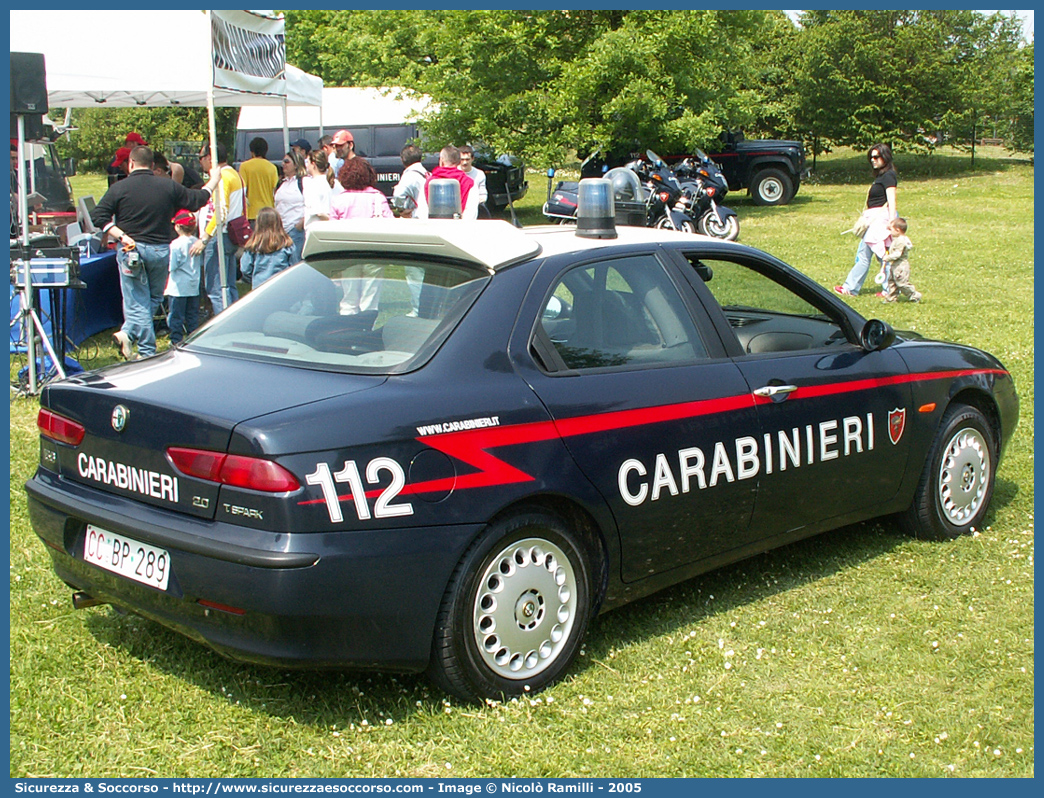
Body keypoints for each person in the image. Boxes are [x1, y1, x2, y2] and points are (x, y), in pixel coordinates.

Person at [91, 146, 218, 359]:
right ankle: (129, 335)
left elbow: (98, 216)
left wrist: (121, 235)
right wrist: (214, 179)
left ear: (130, 164)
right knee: (153, 298)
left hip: (131, 250)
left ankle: (145, 350)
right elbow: (199, 199)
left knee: (136, 301)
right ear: (152, 166)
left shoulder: (120, 188)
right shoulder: (168, 186)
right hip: (160, 251)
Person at [329, 158, 393, 314]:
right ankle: (366, 331)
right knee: (370, 301)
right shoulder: (378, 198)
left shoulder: (338, 200)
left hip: (348, 255)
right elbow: (390, 224)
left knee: (349, 300)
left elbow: (331, 232)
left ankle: (348, 331)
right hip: (374, 255)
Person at [835, 143, 898, 297]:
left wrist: (891, 223)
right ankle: (854, 288)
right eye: (871, 157)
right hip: (873, 220)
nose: (873, 160)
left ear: (885, 157)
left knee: (880, 256)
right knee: (869, 255)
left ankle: (885, 290)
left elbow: (891, 199)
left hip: (881, 221)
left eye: (876, 157)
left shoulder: (889, 176)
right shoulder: (880, 176)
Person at [191, 142, 246, 315]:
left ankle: (223, 325)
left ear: (209, 158)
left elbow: (221, 211)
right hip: (229, 235)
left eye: (201, 158)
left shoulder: (222, 177)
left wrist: (205, 238)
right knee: (228, 286)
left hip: (219, 237)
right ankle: (235, 320)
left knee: (217, 289)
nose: (201, 162)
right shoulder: (234, 175)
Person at [164, 209, 202, 345]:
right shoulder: (197, 242)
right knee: (192, 315)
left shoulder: (175, 244)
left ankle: (176, 340)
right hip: (193, 284)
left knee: (176, 316)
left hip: (178, 286)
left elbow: (172, 266)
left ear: (178, 226)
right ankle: (193, 339)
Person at [239, 207, 296, 288]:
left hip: (259, 288)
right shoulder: (287, 245)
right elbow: (294, 268)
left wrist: (254, 279)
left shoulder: (253, 246)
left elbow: (245, 269)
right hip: (282, 287)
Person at [415, 145, 474, 219]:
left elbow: (422, 212)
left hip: (434, 227)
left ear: (441, 160)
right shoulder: (469, 183)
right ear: (459, 162)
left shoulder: (429, 183)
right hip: (459, 228)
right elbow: (471, 214)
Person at [274, 149, 307, 261]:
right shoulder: (282, 183)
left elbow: (311, 205)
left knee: (295, 263)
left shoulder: (303, 182)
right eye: (283, 161)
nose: (283, 164)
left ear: (296, 164)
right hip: (281, 231)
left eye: (287, 161)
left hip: (295, 231)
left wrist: (300, 225)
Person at [879, 217, 921, 303]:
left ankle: (914, 295)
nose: (890, 232)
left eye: (891, 230)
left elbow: (897, 254)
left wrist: (887, 257)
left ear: (898, 230)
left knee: (901, 283)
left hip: (900, 265)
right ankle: (891, 298)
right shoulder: (897, 239)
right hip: (894, 265)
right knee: (892, 282)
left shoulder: (901, 241)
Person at [239, 136, 279, 222]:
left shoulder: (244, 166)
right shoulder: (272, 167)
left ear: (252, 152)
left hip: (252, 213)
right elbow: (275, 190)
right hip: (269, 212)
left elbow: (243, 190)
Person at [392, 143, 429, 218]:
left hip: (416, 217)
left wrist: (401, 210)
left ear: (403, 160)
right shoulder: (427, 174)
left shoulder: (409, 176)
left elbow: (398, 195)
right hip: (430, 216)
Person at [302, 149, 333, 231]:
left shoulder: (312, 185)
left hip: (316, 231)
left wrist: (333, 220)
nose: (306, 165)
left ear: (313, 164)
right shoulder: (332, 182)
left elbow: (318, 212)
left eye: (307, 162)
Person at [458, 145, 488, 212]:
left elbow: (483, 195)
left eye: (467, 159)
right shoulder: (454, 173)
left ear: (472, 159)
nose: (465, 162)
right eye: (462, 159)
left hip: (474, 208)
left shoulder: (480, 174)